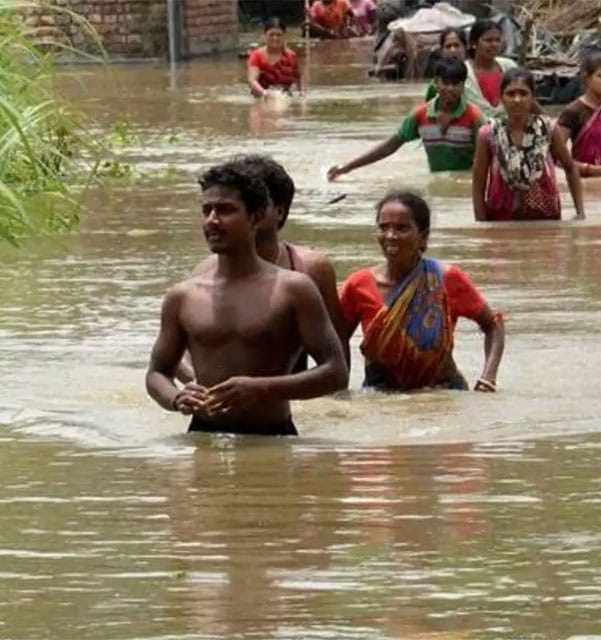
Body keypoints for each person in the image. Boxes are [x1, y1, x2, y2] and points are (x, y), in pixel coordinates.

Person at [146, 160, 348, 436]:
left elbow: (336, 373)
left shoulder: (294, 289)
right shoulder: (182, 295)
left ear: (255, 218)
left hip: (273, 438)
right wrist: (176, 398)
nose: (212, 220)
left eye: (226, 210)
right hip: (202, 435)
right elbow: (157, 373)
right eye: (206, 210)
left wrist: (261, 388)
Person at [181, 155, 348, 380]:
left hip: (288, 401)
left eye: (258, 202)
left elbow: (337, 361)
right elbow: (176, 355)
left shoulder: (308, 269)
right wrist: (200, 387)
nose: (214, 218)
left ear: (278, 211)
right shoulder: (204, 274)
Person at [338, 191, 505, 392]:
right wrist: (340, 391)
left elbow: (493, 325)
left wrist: (488, 379)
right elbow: (336, 341)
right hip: (381, 400)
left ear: (423, 237)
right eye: (384, 227)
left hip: (443, 397)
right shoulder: (358, 285)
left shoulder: (447, 279)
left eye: (402, 228)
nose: (390, 236)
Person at [327, 57, 487, 178]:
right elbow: (389, 147)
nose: (450, 88)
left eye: (455, 84)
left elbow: (493, 155)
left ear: (463, 85)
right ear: (436, 83)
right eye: (445, 83)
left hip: (469, 184)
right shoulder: (420, 115)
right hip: (437, 181)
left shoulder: (475, 118)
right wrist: (347, 168)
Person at [472, 68, 586, 221]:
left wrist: (580, 213)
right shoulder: (488, 134)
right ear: (502, 98)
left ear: (533, 97)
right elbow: (478, 184)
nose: (517, 100)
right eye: (511, 94)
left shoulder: (548, 130)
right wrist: (482, 223)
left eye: (523, 94)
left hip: (545, 217)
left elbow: (570, 167)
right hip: (501, 218)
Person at [462, 19, 518, 118]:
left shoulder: (509, 67)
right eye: (488, 40)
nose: (494, 45)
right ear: (474, 43)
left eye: (497, 40)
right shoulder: (463, 72)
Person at [246, 18, 303, 99]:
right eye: (271, 34)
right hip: (263, 98)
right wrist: (265, 94)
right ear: (264, 35)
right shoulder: (257, 56)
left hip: (284, 98)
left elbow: (298, 80)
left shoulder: (291, 56)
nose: (275, 38)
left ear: (284, 36)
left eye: (278, 35)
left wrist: (298, 96)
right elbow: (252, 81)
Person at [423, 27, 468, 102]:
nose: (452, 50)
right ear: (441, 51)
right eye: (448, 46)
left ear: (465, 48)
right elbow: (429, 109)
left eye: (456, 45)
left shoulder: (474, 76)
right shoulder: (435, 84)